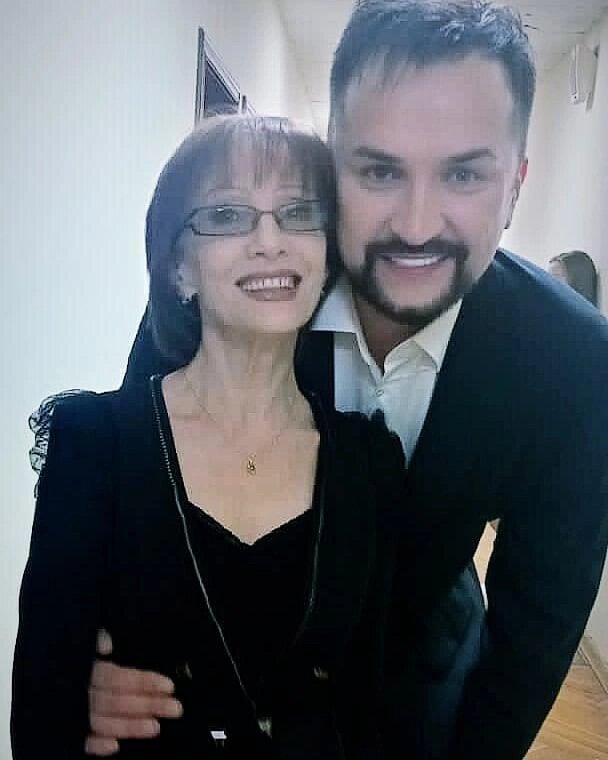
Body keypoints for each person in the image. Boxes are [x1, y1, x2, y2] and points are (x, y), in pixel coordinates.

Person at [61, 1, 608, 758]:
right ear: (331, 165)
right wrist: (87, 663)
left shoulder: (575, 364)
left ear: (515, 185)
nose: (417, 225)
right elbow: (130, 490)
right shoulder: (233, 287)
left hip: (421, 661)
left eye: (464, 174)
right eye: (379, 170)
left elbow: (535, 632)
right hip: (209, 669)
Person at [12, 114, 416, 759]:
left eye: (297, 213)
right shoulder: (92, 445)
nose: (269, 241)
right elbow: (42, 716)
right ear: (179, 268)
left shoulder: (369, 463)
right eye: (228, 215)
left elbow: (368, 707)